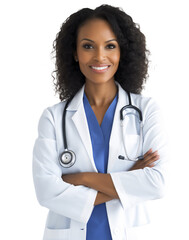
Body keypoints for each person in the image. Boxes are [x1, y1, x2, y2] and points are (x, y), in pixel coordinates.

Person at [33, 4, 168, 240]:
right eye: (87, 46)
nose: (99, 56)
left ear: (121, 52)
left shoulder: (146, 110)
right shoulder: (54, 118)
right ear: (75, 52)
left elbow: (156, 183)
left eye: (110, 46)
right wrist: (130, 178)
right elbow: (47, 192)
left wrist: (81, 179)